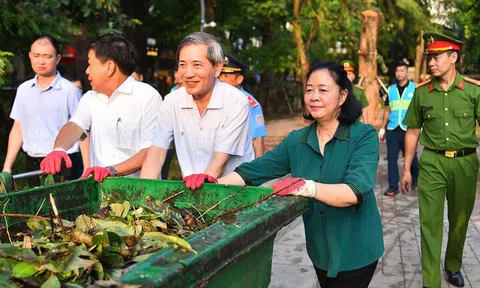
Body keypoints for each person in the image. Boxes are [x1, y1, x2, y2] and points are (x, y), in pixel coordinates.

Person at [185, 62, 384, 287]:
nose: (314, 96)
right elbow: (252, 172)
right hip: (319, 251)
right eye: (309, 90)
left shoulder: (363, 135)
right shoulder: (296, 140)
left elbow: (353, 191)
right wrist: (212, 183)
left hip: (357, 250)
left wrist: (307, 187)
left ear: (342, 96)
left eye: (323, 90)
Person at [401, 32, 480, 288]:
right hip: (432, 163)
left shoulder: (472, 90)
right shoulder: (422, 92)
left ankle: (453, 265)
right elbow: (413, 131)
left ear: (453, 57)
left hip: (465, 163)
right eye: (429, 57)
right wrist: (406, 170)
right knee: (430, 223)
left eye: (436, 57)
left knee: (460, 220)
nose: (431, 62)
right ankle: (431, 281)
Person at [40, 34, 161, 182]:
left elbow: (150, 151)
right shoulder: (91, 97)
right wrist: (59, 149)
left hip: (139, 193)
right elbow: (74, 126)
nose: (87, 71)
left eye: (90, 64)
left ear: (109, 67)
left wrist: (109, 171)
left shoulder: (148, 96)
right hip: (100, 192)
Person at [140, 32, 254, 184]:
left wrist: (199, 187)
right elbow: (156, 153)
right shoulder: (171, 101)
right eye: (182, 65)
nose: (188, 74)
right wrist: (141, 197)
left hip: (232, 191)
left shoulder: (236, 102)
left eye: (197, 65)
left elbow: (219, 161)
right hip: (192, 190)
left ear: (218, 67)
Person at [2, 35, 83, 185]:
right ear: (30, 56)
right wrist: (7, 166)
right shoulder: (23, 90)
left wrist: (87, 168)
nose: (41, 61)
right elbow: (18, 128)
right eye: (36, 55)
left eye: (47, 56)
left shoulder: (70, 91)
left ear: (58, 58)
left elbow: (83, 130)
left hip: (64, 164)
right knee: (35, 208)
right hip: (31, 163)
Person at [379, 61, 419, 196]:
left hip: (409, 129)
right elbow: (387, 109)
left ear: (407, 72)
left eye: (402, 71)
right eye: (397, 71)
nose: (399, 73)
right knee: (391, 158)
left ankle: (415, 180)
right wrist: (382, 128)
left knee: (412, 157)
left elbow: (420, 110)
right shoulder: (390, 90)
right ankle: (392, 186)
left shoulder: (415, 88)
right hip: (392, 128)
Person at [218, 53, 267, 158]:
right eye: (220, 75)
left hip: (240, 164)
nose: (221, 79)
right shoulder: (212, 99)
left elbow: (257, 139)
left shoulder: (250, 103)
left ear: (239, 79)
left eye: (226, 76)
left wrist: (259, 169)